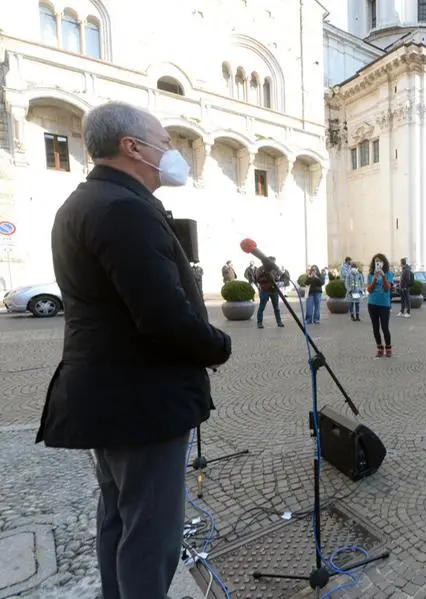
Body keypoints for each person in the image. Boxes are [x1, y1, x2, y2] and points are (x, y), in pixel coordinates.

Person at [36, 101, 232, 599]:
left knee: (119, 519)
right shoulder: (124, 209)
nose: (171, 151)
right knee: (151, 536)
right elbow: (163, 316)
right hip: (141, 401)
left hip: (114, 397)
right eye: (163, 142)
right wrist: (217, 344)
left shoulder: (85, 202)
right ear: (132, 147)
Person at [366, 254, 394, 357]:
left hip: (384, 305)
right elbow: (369, 290)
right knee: (375, 328)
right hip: (372, 304)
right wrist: (374, 277)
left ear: (383, 262)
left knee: (385, 327)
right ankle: (379, 347)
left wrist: (382, 276)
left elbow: (387, 288)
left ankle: (388, 347)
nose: (377, 263)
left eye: (379, 261)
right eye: (375, 261)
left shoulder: (389, 274)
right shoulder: (370, 274)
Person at [255, 260, 284, 328]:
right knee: (262, 307)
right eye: (272, 262)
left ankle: (279, 322)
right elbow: (258, 279)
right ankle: (259, 322)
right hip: (265, 291)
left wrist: (277, 280)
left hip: (274, 291)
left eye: (274, 262)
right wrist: (268, 277)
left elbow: (278, 277)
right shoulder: (260, 269)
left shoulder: (274, 269)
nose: (273, 263)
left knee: (276, 308)